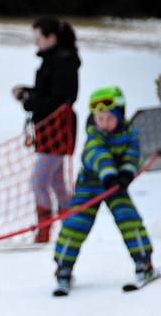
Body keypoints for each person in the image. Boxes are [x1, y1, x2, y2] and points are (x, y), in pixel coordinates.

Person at [53, 86, 154, 295]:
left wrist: (127, 173)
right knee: (75, 223)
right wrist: (108, 174)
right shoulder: (94, 135)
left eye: (108, 118)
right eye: (99, 118)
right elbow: (97, 155)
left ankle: (143, 262)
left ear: (120, 115)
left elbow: (132, 155)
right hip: (90, 185)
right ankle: (63, 267)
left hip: (116, 185)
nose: (103, 123)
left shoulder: (129, 133)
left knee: (129, 219)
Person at [12, 16, 80, 243]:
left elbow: (60, 100)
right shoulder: (53, 60)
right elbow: (48, 92)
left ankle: (45, 230)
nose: (36, 43)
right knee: (56, 181)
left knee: (39, 181)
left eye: (38, 38)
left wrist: (29, 100)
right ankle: (71, 225)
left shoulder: (63, 62)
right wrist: (28, 92)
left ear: (51, 38)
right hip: (49, 129)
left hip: (57, 130)